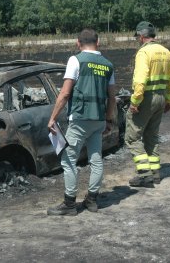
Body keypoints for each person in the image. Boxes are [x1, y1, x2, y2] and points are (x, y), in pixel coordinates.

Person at [47, 29, 116, 216]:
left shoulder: (75, 60)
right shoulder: (108, 65)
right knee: (96, 159)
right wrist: (109, 120)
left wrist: (53, 117)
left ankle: (70, 204)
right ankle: (92, 200)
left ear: (78, 43)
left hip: (79, 119)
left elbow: (65, 93)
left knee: (68, 159)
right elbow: (112, 97)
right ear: (98, 42)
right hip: (99, 119)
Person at [125, 21, 170, 187]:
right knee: (151, 136)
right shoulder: (166, 52)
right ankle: (155, 173)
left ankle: (144, 174)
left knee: (132, 137)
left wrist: (135, 101)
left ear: (142, 37)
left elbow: (140, 80)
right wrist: (169, 100)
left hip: (146, 98)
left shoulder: (144, 53)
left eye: (137, 37)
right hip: (161, 98)